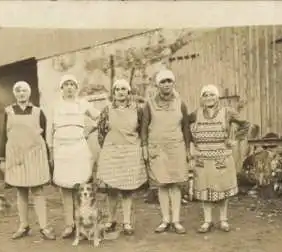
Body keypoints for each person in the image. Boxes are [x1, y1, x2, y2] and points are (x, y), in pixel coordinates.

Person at [189, 84, 250, 233]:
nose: (208, 98)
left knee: (222, 190)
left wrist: (235, 139)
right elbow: (184, 127)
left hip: (222, 158)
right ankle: (207, 221)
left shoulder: (227, 112)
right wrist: (192, 143)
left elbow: (245, 125)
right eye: (205, 95)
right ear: (201, 98)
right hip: (203, 159)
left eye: (212, 95)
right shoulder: (195, 114)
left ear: (217, 97)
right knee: (205, 191)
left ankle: (223, 220)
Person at [0, 81, 55, 240]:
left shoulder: (38, 112)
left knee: (38, 191)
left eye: (24, 91)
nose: (21, 94)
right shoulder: (8, 111)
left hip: (35, 155)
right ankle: (24, 225)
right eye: (18, 91)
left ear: (29, 93)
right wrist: (2, 158)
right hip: (16, 157)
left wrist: (46, 155)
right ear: (15, 94)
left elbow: (44, 136)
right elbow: (3, 135)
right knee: (21, 191)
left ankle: (44, 227)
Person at [46, 74, 101, 239]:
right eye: (66, 85)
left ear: (76, 88)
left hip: (79, 148)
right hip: (61, 150)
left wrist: (89, 130)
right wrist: (51, 150)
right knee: (65, 187)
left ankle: (84, 222)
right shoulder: (55, 106)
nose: (70, 88)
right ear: (61, 88)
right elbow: (50, 129)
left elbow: (100, 116)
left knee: (81, 187)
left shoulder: (83, 103)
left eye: (72, 85)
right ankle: (69, 224)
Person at [141, 69, 192, 234]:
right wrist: (144, 148)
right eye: (163, 82)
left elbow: (185, 128)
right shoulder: (149, 104)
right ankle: (165, 220)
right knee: (162, 184)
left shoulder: (181, 103)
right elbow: (144, 128)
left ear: (173, 83)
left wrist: (187, 149)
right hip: (157, 148)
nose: (166, 84)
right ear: (158, 85)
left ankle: (176, 221)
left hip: (176, 147)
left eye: (169, 81)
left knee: (175, 184)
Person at [96, 79, 148, 235]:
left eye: (123, 89)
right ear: (113, 93)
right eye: (117, 89)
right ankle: (111, 220)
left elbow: (142, 130)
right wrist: (110, 147)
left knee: (127, 189)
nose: (120, 92)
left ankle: (126, 222)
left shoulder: (137, 110)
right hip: (112, 152)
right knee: (112, 189)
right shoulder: (106, 110)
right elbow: (101, 132)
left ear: (128, 92)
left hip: (130, 152)